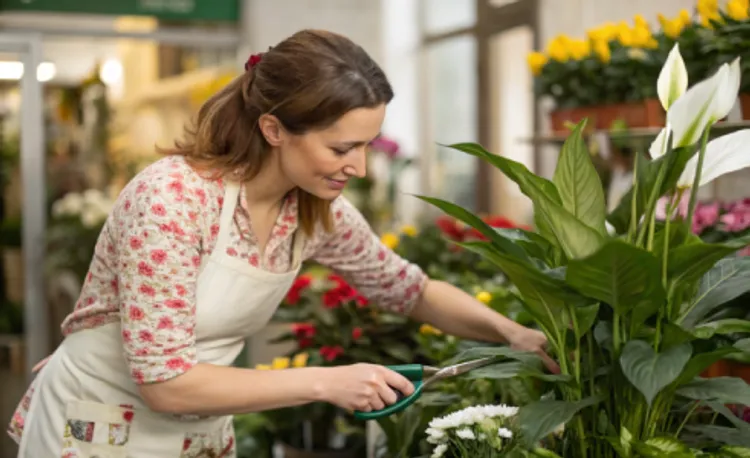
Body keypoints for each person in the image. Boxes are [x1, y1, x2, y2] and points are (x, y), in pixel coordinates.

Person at [8, 29, 558, 457]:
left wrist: (513, 333)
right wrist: (326, 382)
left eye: (367, 145)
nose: (361, 167)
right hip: (98, 422)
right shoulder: (173, 199)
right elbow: (166, 384)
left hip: (195, 431)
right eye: (343, 147)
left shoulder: (317, 212)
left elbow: (408, 290)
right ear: (274, 130)